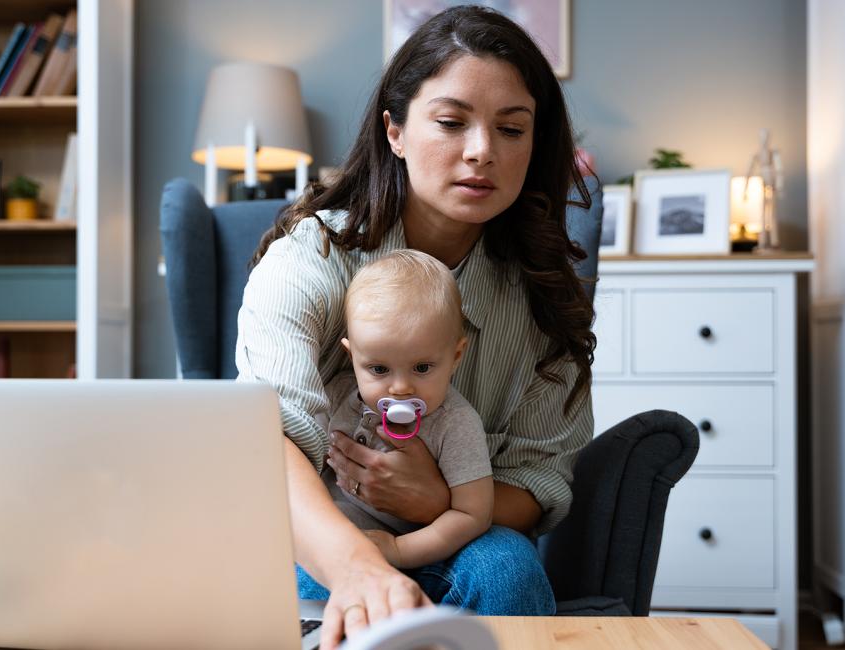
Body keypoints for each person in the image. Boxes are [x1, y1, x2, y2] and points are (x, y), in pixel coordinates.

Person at [235, 5, 595, 648]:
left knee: (507, 565)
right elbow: (267, 437)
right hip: (318, 532)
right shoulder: (309, 258)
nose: (482, 151)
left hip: (462, 536)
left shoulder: (542, 298)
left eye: (511, 129)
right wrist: (357, 565)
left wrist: (437, 502)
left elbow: (539, 478)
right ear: (395, 131)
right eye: (452, 122)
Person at [321, 249, 492, 569]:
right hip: (337, 544)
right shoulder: (337, 396)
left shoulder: (456, 424)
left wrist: (400, 550)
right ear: (352, 357)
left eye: (422, 368)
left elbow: (473, 514)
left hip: (422, 551)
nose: (400, 388)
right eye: (379, 369)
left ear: (456, 356)